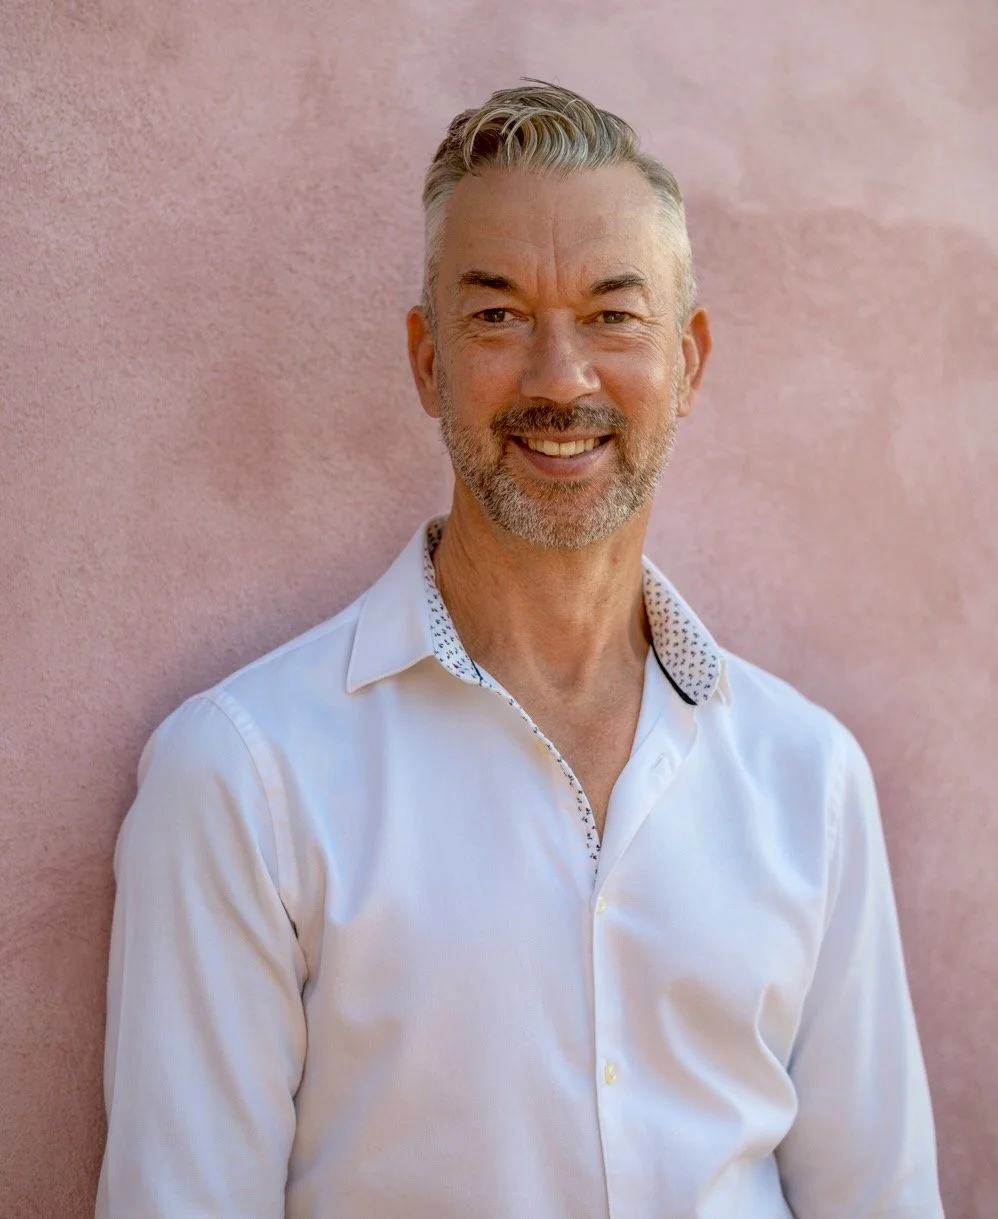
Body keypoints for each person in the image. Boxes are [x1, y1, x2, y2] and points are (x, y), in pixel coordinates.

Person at [96, 81, 944, 1218]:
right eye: (497, 315)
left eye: (612, 314)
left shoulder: (811, 778)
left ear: (687, 362)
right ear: (427, 360)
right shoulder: (243, 778)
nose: (559, 378)